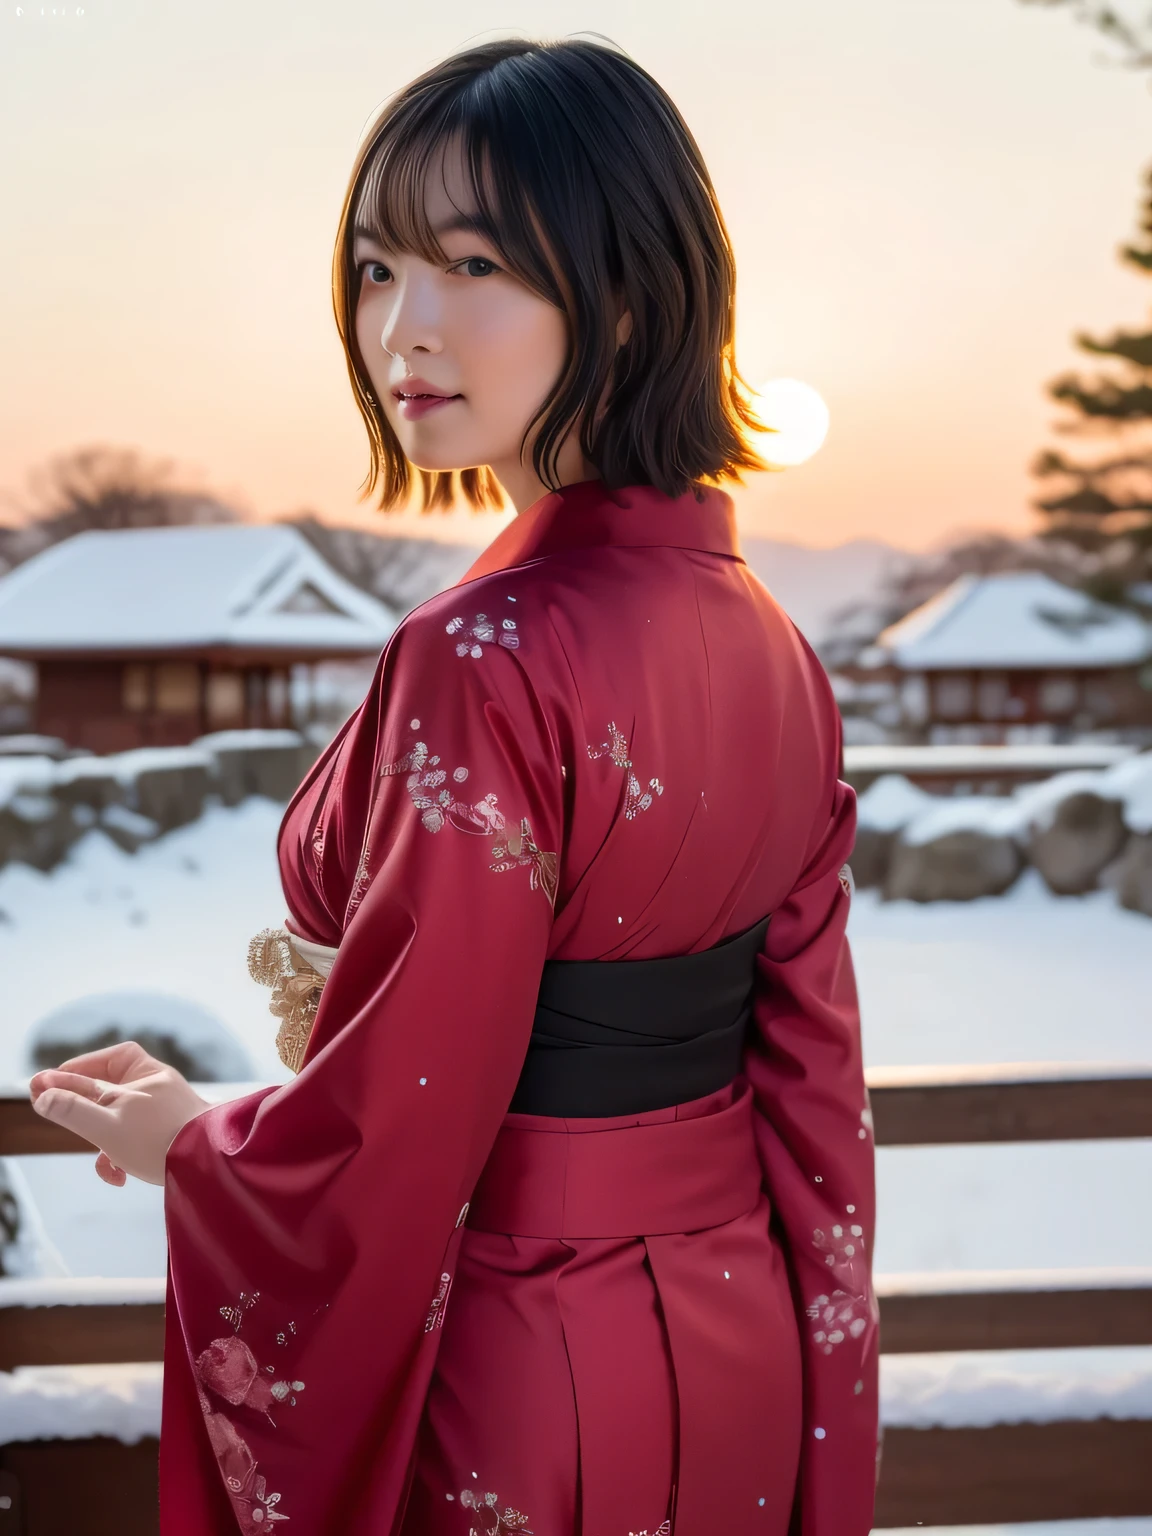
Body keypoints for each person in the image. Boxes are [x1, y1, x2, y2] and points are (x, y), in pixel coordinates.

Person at [27, 36, 879, 1536]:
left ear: (624, 289)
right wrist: (825, 1388)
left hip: (515, 1363)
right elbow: (812, 1088)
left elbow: (408, 1107)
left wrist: (195, 1151)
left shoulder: (481, 654)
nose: (403, 327)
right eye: (373, 269)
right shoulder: (772, 644)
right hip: (732, 1336)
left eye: (473, 263)